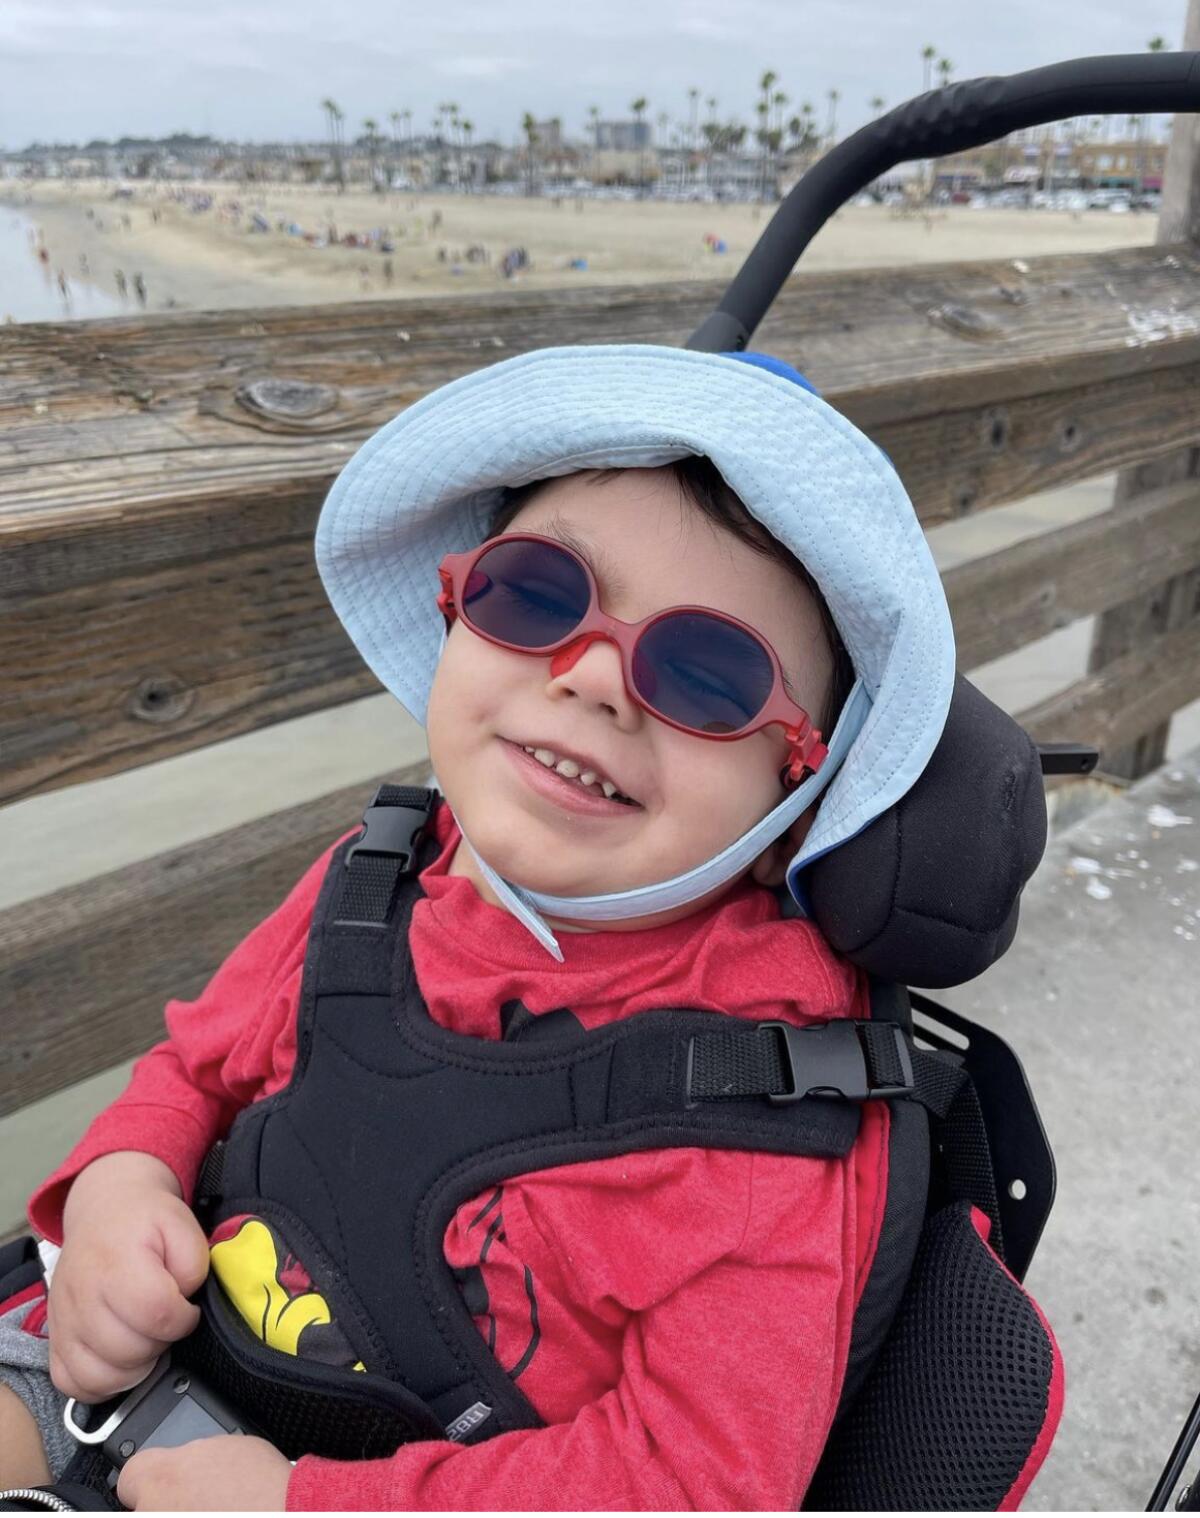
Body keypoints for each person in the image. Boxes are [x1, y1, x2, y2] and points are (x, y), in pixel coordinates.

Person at [0, 346, 955, 1510]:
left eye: (707, 674)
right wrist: (118, 1188)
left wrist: (301, 1506)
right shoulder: (375, 882)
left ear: (790, 807)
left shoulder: (756, 1112)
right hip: (160, 1375)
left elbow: (700, 1485)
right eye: (539, 593)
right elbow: (195, 1066)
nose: (596, 677)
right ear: (457, 605)